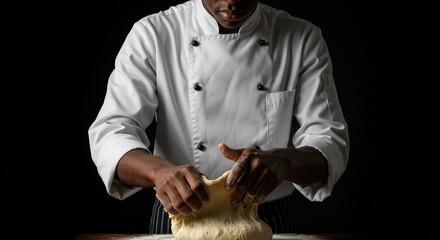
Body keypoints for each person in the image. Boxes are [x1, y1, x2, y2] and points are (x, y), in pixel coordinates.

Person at [88, 0, 349, 234]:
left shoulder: (302, 38)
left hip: (267, 219)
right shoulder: (154, 34)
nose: (231, 2)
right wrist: (159, 172)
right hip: (181, 214)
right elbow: (111, 132)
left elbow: (329, 142)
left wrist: (284, 161)